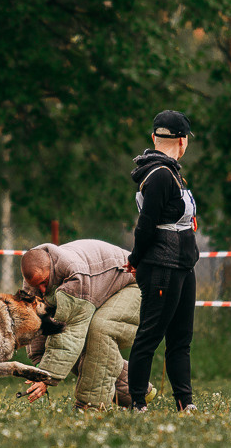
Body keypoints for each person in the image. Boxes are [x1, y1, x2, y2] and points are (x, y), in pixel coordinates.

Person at [19, 239, 154, 411]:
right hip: (105, 288)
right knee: (83, 343)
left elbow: (69, 333)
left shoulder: (75, 275)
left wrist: (47, 376)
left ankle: (90, 407)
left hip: (137, 282)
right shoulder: (34, 283)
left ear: (51, 269)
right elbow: (38, 323)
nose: (43, 290)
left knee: (100, 329)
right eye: (37, 285)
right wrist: (39, 364)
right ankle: (136, 390)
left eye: (44, 282)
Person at [125, 109, 199, 413]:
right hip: (162, 266)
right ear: (182, 141)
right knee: (150, 336)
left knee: (180, 340)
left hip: (183, 265)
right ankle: (137, 402)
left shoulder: (171, 173)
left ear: (154, 137)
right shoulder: (159, 175)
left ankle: (185, 402)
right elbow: (146, 225)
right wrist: (135, 258)